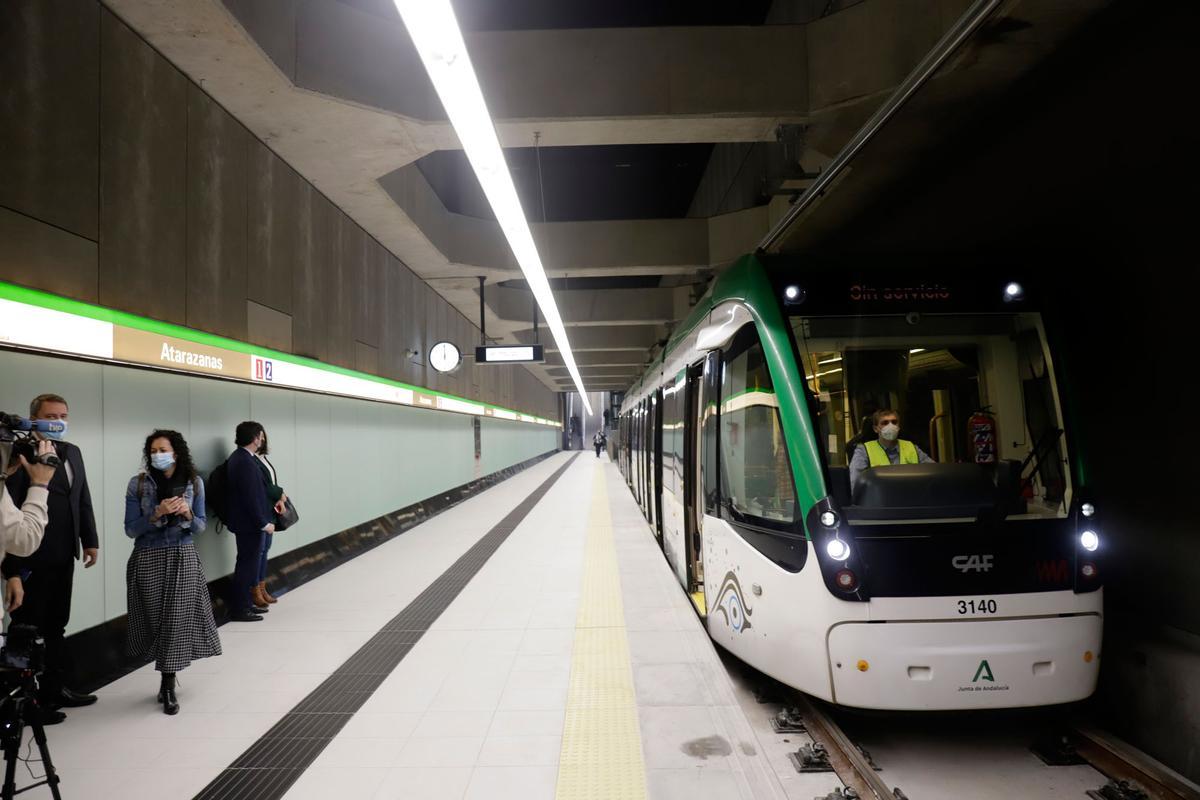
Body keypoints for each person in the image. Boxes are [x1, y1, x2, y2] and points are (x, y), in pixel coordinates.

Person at [1, 394, 100, 715]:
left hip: (62, 555)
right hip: (28, 558)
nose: (57, 422)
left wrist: (89, 539)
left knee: (57, 625)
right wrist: (12, 571)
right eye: (50, 416)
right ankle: (23, 702)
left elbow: (81, 499)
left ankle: (56, 690)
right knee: (26, 628)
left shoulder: (72, 453)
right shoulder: (18, 456)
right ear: (34, 419)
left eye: (63, 416)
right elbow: (9, 518)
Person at [123, 430, 222, 715]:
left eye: (162, 449)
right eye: (153, 451)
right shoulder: (138, 484)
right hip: (148, 556)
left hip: (182, 554)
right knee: (156, 619)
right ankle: (166, 679)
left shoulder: (194, 483)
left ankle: (168, 684)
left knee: (176, 618)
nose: (158, 455)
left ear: (175, 452)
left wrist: (188, 515)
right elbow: (130, 528)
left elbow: (201, 526)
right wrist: (156, 514)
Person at [224, 422, 274, 622]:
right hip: (249, 525)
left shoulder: (243, 458)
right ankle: (241, 608)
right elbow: (250, 497)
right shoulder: (244, 461)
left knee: (248, 564)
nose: (262, 440)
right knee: (247, 566)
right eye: (260, 436)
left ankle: (246, 604)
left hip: (248, 524)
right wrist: (263, 523)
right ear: (255, 438)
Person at [848, 408, 934, 496]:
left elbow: (933, 471)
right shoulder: (864, 450)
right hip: (880, 501)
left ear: (898, 426)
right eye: (885, 423)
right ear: (875, 429)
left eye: (894, 422)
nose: (890, 426)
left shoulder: (911, 447)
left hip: (912, 497)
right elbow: (855, 481)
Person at [253, 430, 287, 608]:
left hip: (270, 511)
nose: (262, 440)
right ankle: (255, 591)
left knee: (264, 551)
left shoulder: (263, 458)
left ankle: (262, 587)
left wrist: (279, 497)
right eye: (259, 437)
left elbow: (270, 484)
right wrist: (280, 494)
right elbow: (263, 487)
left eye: (263, 436)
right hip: (260, 514)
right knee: (258, 552)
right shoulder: (252, 461)